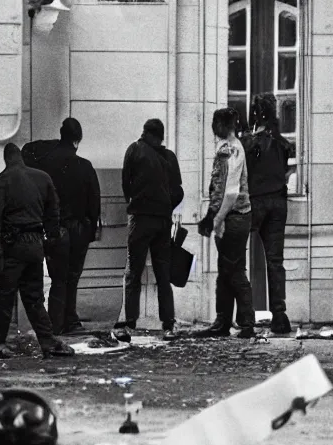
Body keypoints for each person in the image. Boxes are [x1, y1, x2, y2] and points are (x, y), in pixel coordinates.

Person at [0, 143, 74, 359]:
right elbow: (54, 209)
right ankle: (47, 341)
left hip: (13, 245)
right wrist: (51, 236)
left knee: (5, 297)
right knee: (34, 297)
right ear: (21, 158)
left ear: (7, 159)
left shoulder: (0, 182)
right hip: (35, 244)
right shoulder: (42, 177)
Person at [22, 118, 101, 335]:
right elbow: (94, 202)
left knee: (57, 278)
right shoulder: (85, 166)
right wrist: (91, 227)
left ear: (61, 135)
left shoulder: (46, 163)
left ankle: (55, 323)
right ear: (78, 140)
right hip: (78, 229)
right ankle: (70, 320)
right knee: (72, 277)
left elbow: (27, 153)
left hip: (54, 228)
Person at [114, 119, 184, 342]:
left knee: (133, 271)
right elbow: (179, 191)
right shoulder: (169, 157)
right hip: (163, 222)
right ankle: (168, 325)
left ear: (145, 133)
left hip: (141, 219)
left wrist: (135, 204)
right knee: (163, 274)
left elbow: (126, 183)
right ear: (161, 136)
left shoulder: (134, 150)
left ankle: (128, 323)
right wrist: (166, 207)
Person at [197, 107, 255, 339]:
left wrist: (215, 220)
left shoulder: (226, 150)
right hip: (242, 216)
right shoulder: (237, 146)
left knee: (232, 271)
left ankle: (240, 321)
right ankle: (226, 320)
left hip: (232, 217)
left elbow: (226, 192)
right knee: (228, 270)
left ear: (222, 125)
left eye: (214, 123)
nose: (213, 128)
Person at [240, 93, 293, 334]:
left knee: (239, 258)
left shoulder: (248, 143)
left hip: (255, 202)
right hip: (278, 203)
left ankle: (245, 316)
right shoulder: (282, 144)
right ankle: (279, 315)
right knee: (275, 262)